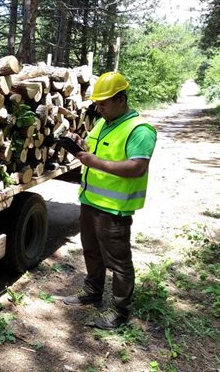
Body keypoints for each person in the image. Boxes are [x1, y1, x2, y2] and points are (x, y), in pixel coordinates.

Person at [62, 71, 157, 330]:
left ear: (121, 99)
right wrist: (82, 146)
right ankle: (92, 293)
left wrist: (96, 162)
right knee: (91, 252)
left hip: (114, 209)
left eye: (103, 102)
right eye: (97, 103)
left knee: (118, 262)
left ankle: (119, 311)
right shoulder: (104, 122)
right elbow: (96, 150)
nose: (98, 107)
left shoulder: (140, 130)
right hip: (91, 201)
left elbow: (137, 167)